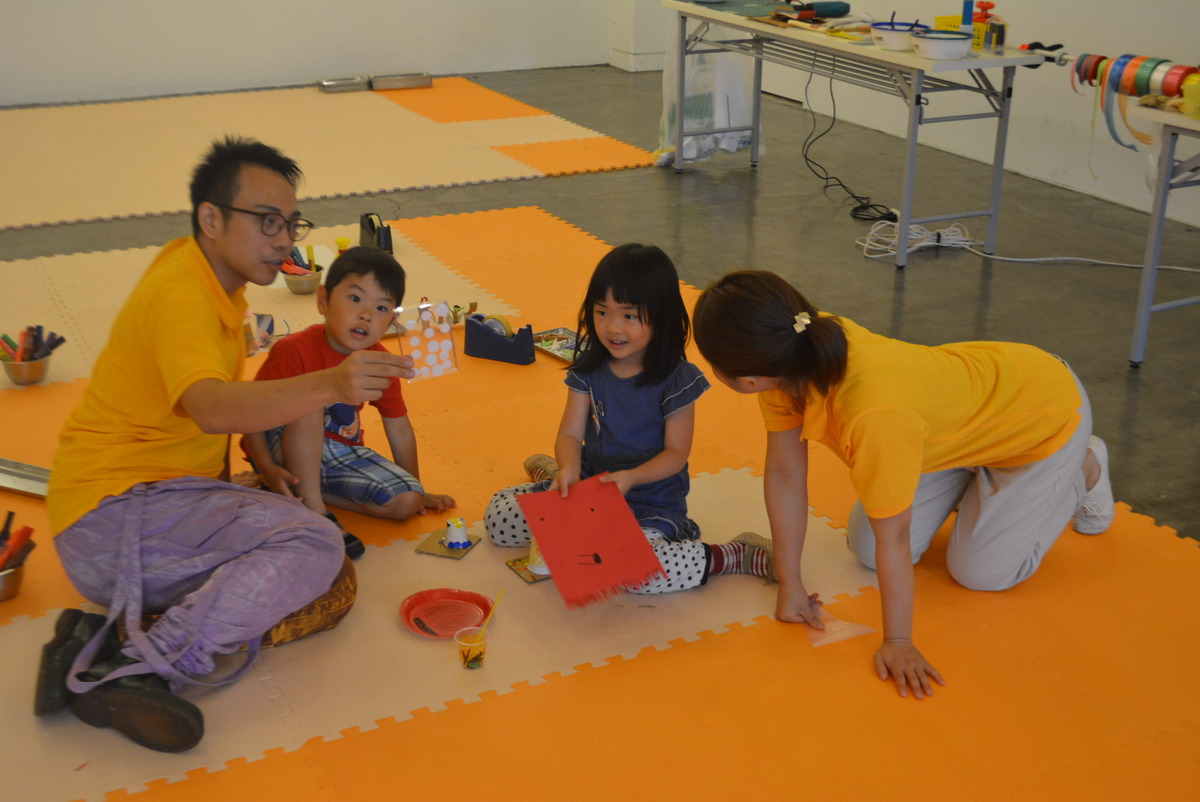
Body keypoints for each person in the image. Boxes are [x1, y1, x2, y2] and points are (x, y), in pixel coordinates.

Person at [38, 137, 415, 752]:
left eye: (291, 224)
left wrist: (264, 469)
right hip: (115, 517)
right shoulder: (182, 295)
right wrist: (331, 383)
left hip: (131, 509)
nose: (284, 240)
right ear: (210, 219)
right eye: (267, 222)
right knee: (315, 544)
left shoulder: (208, 281)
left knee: (308, 541)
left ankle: (89, 638)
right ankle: (139, 666)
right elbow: (212, 409)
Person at [692, 270, 1115, 699]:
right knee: (867, 550)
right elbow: (785, 474)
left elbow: (894, 534)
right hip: (948, 427)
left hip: (1041, 416)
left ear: (747, 380)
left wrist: (898, 641)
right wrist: (790, 583)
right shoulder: (790, 355)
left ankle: (1085, 466)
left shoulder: (871, 413)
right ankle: (976, 473)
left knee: (981, 573)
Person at [485, 244, 775, 593]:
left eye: (629, 316)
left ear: (662, 317)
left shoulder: (676, 380)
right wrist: (569, 469)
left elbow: (676, 454)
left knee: (636, 574)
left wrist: (631, 478)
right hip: (589, 492)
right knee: (499, 521)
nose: (612, 327)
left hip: (649, 504)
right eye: (601, 312)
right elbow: (570, 435)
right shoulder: (589, 370)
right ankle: (553, 473)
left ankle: (732, 555)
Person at [242, 246, 456, 550]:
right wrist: (266, 468)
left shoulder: (380, 361)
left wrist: (418, 489)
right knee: (311, 397)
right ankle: (313, 510)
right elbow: (250, 415)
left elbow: (398, 428)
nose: (366, 315)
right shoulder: (293, 351)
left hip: (338, 453)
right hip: (279, 450)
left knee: (406, 502)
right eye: (355, 298)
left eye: (381, 308)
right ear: (323, 301)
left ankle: (301, 492)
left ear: (390, 322)